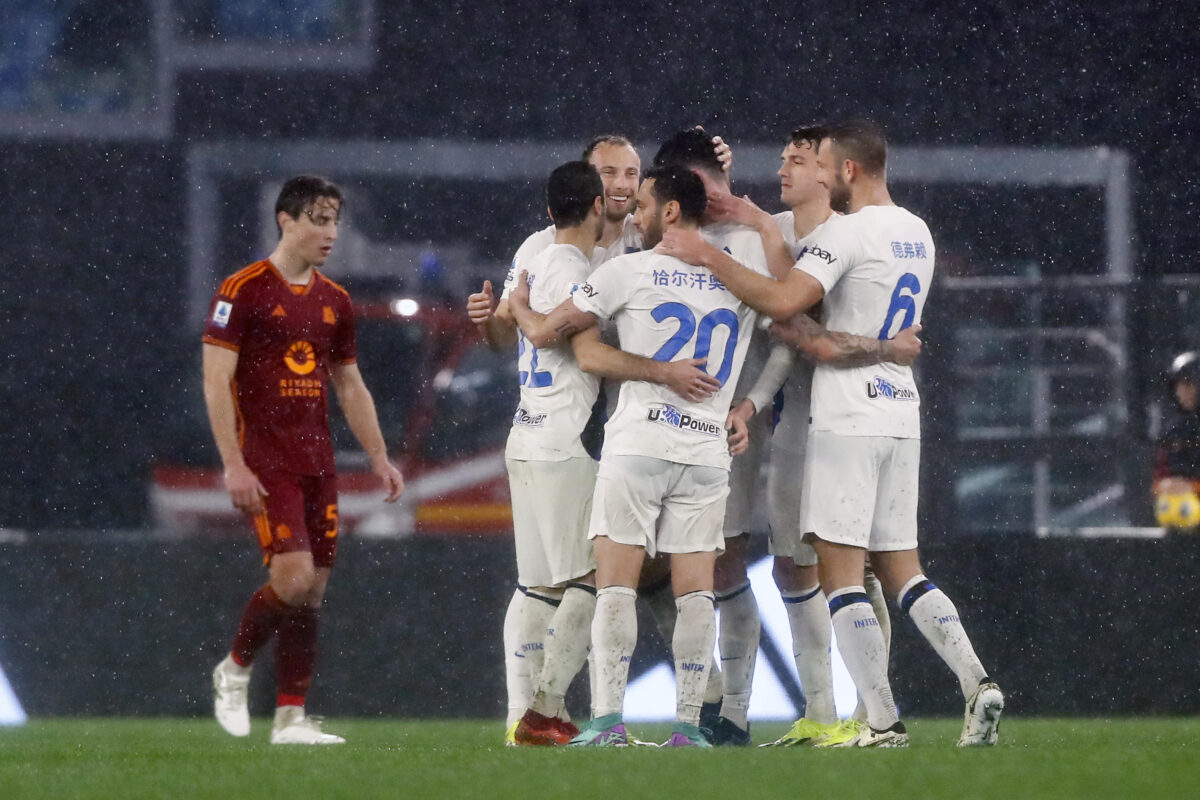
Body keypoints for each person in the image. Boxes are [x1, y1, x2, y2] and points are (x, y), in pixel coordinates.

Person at [657, 119, 1003, 748]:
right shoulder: (917, 231)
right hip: (900, 411)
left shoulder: (840, 234)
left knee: (843, 577)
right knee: (903, 571)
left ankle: (881, 721)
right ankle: (976, 681)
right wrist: (883, 346)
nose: (801, 171)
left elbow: (790, 309)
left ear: (844, 170)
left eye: (814, 162)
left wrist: (714, 252)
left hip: (842, 417)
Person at [468, 133, 730, 744]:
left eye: (632, 174)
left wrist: (518, 316)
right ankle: (549, 711)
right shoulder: (562, 252)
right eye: (609, 173)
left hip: (566, 433)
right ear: (589, 186)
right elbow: (526, 336)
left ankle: (547, 715)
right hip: (584, 436)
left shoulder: (629, 247)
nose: (621, 184)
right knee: (598, 578)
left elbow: (533, 325)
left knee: (560, 582)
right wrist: (500, 321)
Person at [204, 175, 405, 745]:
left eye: (335, 220)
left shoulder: (335, 300)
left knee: (312, 590)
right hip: (266, 460)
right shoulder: (242, 290)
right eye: (318, 219)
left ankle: (290, 718)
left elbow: (350, 383)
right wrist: (232, 463)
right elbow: (215, 382)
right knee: (291, 580)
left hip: (318, 461)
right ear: (285, 221)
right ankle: (234, 668)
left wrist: (379, 457)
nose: (330, 232)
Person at [1153, 351, 1200, 524]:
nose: (1181, 391)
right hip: (1178, 519)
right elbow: (1158, 478)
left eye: (1188, 384)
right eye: (1177, 385)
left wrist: (1192, 486)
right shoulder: (1173, 430)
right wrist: (1165, 485)